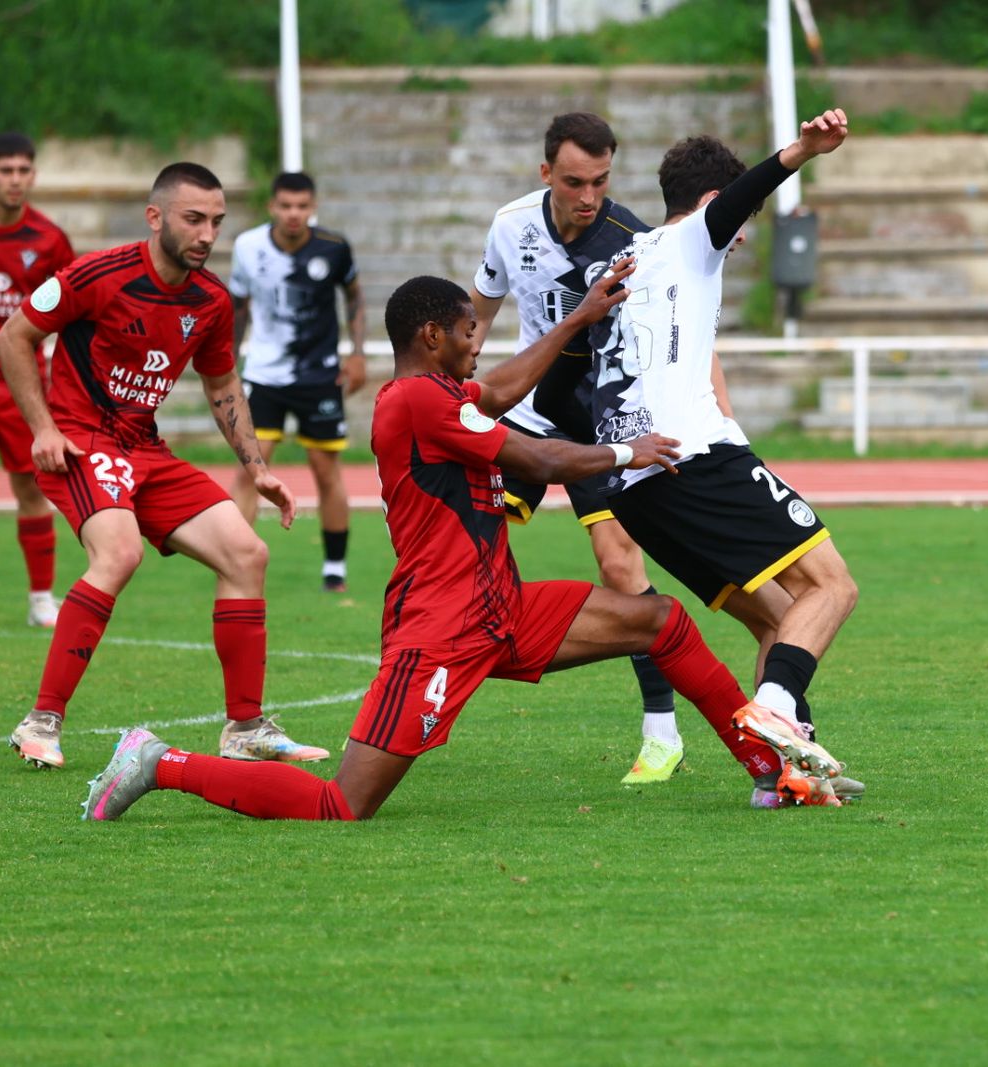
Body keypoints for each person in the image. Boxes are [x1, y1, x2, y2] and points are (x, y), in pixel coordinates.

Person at [78, 271, 847, 823]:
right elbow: (537, 457)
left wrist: (577, 321)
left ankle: (770, 769)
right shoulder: (415, 400)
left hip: (500, 608)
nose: (479, 341)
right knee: (345, 801)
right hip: (440, 628)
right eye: (470, 329)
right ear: (431, 335)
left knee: (661, 622)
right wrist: (626, 452)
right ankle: (158, 761)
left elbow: (506, 391)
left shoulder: (441, 394)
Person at [0, 162, 328, 769]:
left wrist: (256, 468)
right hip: (82, 440)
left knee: (247, 554)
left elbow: (223, 381)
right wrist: (42, 427)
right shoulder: (98, 274)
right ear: (155, 217)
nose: (207, 234)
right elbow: (13, 336)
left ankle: (245, 728)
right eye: (193, 219)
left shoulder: (211, 301)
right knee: (120, 553)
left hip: (144, 449)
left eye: (217, 222)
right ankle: (40, 721)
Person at [588, 109, 865, 806]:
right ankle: (774, 708)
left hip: (634, 485)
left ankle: (782, 774)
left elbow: (572, 380)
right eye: (733, 222)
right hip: (694, 460)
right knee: (831, 586)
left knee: (777, 616)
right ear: (712, 204)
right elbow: (738, 203)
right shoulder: (689, 242)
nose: (738, 239)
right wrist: (800, 151)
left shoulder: (617, 262)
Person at [471, 112, 703, 786]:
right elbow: (477, 314)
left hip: (603, 420)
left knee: (619, 566)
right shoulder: (510, 225)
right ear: (546, 173)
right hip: (530, 413)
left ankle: (661, 733)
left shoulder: (636, 239)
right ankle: (438, 675)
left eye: (600, 181)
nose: (588, 196)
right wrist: (454, 384)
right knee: (468, 543)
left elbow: (680, 328)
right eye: (574, 181)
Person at [227, 172, 366, 592]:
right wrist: (227, 361)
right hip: (264, 374)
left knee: (326, 471)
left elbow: (355, 295)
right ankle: (235, 560)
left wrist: (357, 353)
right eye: (286, 205)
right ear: (272, 206)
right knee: (252, 467)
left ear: (313, 207)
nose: (294, 214)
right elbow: (237, 306)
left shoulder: (334, 247)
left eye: (302, 206)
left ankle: (335, 568)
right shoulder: (247, 247)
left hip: (319, 374)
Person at [0, 132, 75, 627]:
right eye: (5, 170)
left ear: (33, 175)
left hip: (19, 381)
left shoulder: (49, 240)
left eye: (23, 170)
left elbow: (71, 312)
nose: (15, 179)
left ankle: (41, 599)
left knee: (31, 488)